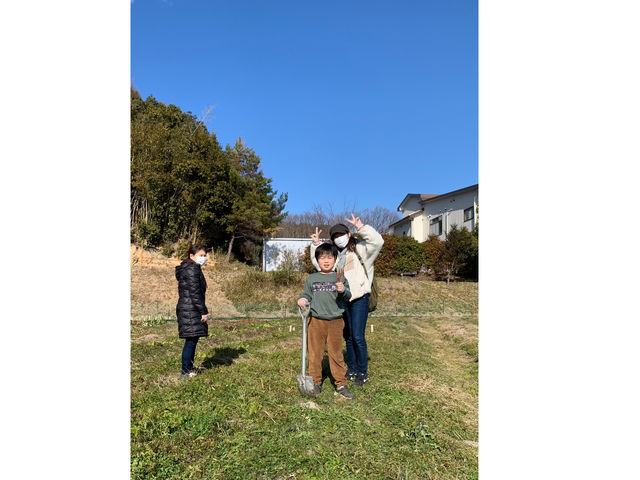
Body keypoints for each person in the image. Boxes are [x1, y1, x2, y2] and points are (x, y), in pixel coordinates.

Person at [310, 214, 384, 387]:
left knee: (358, 336)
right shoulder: (336, 256)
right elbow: (320, 263)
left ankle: (362, 372)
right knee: (348, 336)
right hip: (343, 299)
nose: (339, 238)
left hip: (359, 298)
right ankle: (352, 369)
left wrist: (361, 228)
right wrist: (316, 245)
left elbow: (378, 242)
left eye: (341, 235)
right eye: (335, 236)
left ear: (349, 235)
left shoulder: (361, 249)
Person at [298, 243, 355, 400]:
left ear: (335, 259)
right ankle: (315, 382)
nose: (326, 261)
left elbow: (348, 295)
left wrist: (343, 290)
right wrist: (303, 299)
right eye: (322, 257)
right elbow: (306, 295)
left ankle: (341, 384)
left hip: (335, 321)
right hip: (315, 321)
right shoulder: (312, 279)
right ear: (317, 260)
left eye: (329, 257)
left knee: (336, 354)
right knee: (315, 353)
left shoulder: (339, 277)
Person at [175, 244, 209, 380]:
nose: (204, 258)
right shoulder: (192, 269)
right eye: (201, 255)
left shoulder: (189, 268)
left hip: (188, 307)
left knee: (192, 339)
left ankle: (188, 369)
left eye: (205, 255)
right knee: (191, 341)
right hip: (191, 308)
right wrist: (203, 311)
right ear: (191, 256)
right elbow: (195, 293)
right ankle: (185, 372)